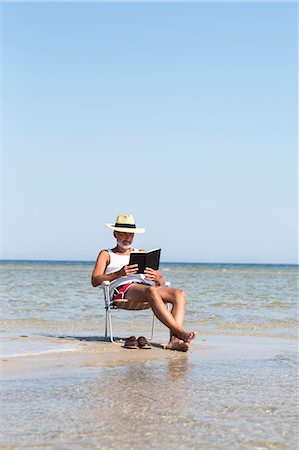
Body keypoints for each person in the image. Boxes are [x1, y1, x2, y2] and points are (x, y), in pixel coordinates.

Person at [91, 214, 196, 352]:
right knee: (151, 290)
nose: (127, 238)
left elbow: (160, 284)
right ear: (115, 234)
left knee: (179, 294)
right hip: (122, 291)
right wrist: (118, 274)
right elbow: (94, 280)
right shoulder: (106, 254)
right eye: (123, 234)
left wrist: (159, 279)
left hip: (145, 289)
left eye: (130, 235)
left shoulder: (140, 253)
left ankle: (173, 341)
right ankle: (180, 333)